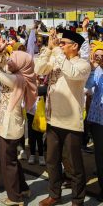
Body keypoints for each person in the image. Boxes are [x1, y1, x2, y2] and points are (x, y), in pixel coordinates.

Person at [35, 26, 91, 206]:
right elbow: (39, 69)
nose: (61, 45)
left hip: (71, 122)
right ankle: (55, 195)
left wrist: (56, 51)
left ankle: (77, 199)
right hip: (53, 120)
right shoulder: (58, 57)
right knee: (51, 161)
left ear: (75, 46)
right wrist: (49, 49)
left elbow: (71, 73)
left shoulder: (82, 64)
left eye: (64, 43)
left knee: (73, 165)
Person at [0, 43, 37, 206]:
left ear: (22, 64)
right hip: (9, 123)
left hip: (9, 126)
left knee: (8, 162)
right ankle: (22, 188)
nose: (10, 60)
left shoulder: (17, 79)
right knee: (13, 160)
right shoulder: (17, 74)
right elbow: (2, 65)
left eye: (14, 59)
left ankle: (15, 198)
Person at [85, 41, 103, 202]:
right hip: (98, 119)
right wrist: (91, 69)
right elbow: (88, 87)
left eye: (102, 55)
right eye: (97, 55)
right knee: (99, 154)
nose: (99, 58)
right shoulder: (96, 71)